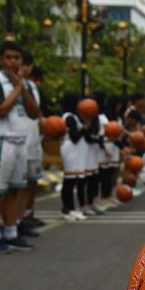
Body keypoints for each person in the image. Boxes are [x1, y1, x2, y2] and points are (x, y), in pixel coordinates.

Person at [0, 40, 40, 252]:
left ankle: (11, 232)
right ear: (1, 59)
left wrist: (21, 87)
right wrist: (16, 87)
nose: (13, 62)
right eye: (9, 57)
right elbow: (2, 109)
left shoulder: (25, 85)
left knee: (15, 190)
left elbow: (34, 113)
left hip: (20, 142)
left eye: (17, 58)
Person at [17, 50, 45, 236]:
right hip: (18, 141)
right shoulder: (8, 85)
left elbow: (37, 112)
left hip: (34, 141)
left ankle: (28, 214)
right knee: (19, 183)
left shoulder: (33, 88)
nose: (23, 69)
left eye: (26, 65)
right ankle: (16, 220)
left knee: (32, 181)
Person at [60, 92, 88, 221]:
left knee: (73, 180)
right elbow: (74, 137)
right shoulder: (69, 118)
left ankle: (70, 207)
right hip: (70, 149)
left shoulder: (73, 117)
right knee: (69, 181)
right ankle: (68, 208)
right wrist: (85, 128)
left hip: (75, 150)